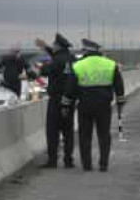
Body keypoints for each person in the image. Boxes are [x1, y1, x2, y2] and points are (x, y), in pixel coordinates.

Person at [61, 39, 124, 172]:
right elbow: (119, 86)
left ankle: (87, 165)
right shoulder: (111, 64)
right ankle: (103, 164)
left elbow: (70, 88)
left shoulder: (78, 65)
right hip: (104, 105)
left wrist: (65, 104)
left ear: (86, 51)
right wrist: (120, 102)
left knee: (84, 135)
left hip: (85, 105)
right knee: (104, 135)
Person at [36, 34, 75, 168]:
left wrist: (40, 67)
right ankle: (68, 160)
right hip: (69, 99)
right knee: (68, 130)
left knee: (53, 130)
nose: (52, 46)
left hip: (56, 100)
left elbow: (46, 70)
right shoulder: (72, 58)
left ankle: (52, 161)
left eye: (53, 44)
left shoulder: (56, 60)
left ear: (58, 46)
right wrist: (46, 47)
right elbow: (58, 57)